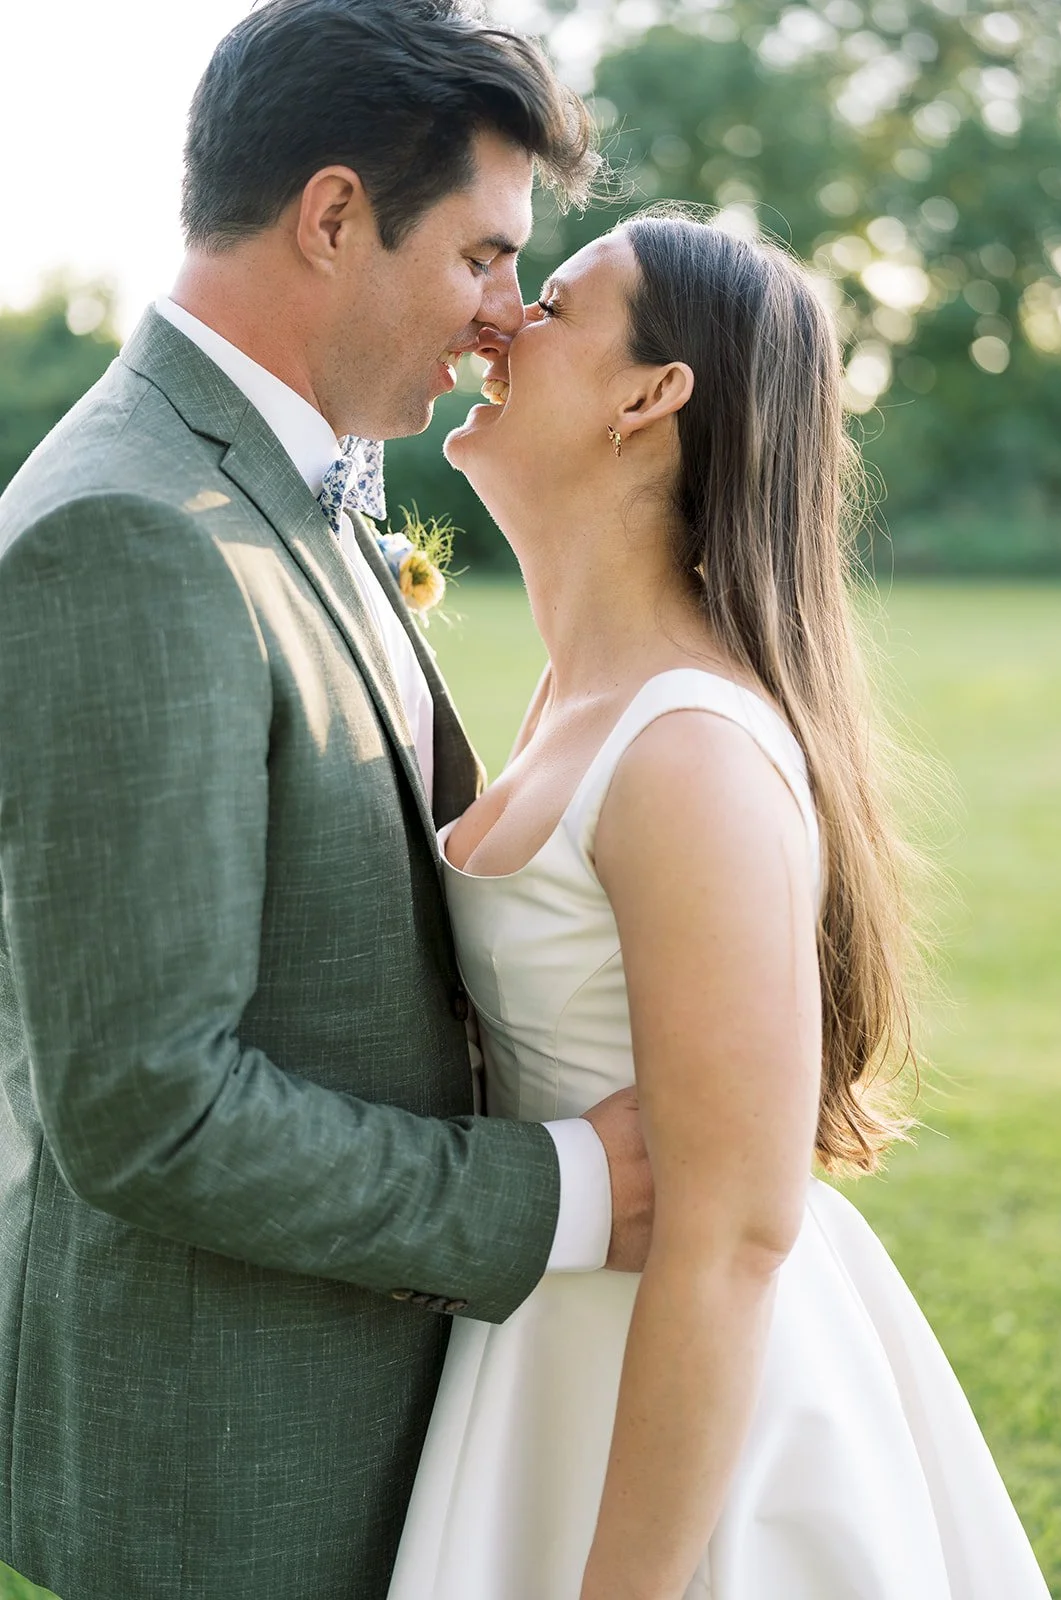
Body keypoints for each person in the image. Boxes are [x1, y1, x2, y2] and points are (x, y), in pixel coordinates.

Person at [0, 4, 655, 1597]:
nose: (503, 318)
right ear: (336, 214)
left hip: (362, 1405)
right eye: (484, 257)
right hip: (236, 1465)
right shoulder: (132, 532)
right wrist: (567, 1189)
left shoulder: (278, 478)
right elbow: (151, 1106)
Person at [384, 214, 1052, 1599]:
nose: (501, 323)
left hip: (676, 1413)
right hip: (548, 1339)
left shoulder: (684, 748)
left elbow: (736, 1237)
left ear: (650, 394)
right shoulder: (580, 697)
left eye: (555, 303)